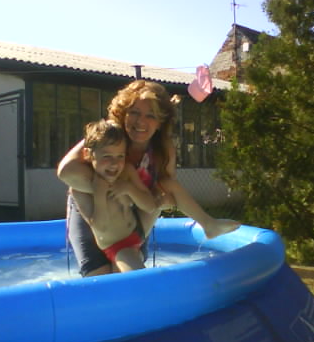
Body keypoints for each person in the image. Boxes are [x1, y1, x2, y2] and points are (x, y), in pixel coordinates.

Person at [57, 79, 240, 277]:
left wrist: (140, 194)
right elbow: (65, 170)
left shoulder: (162, 150)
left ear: (160, 121)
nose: (141, 121)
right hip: (92, 208)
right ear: (123, 113)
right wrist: (106, 187)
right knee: (99, 278)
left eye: (150, 115)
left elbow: (165, 194)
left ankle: (208, 224)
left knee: (129, 275)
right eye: (134, 112)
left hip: (130, 218)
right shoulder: (110, 135)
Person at [77, 119, 155, 272]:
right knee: (139, 279)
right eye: (107, 156)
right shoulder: (80, 190)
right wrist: (99, 194)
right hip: (116, 246)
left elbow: (150, 206)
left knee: (166, 195)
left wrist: (129, 189)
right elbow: (101, 227)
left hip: (136, 235)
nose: (115, 163)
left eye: (120, 156)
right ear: (88, 154)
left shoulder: (127, 172)